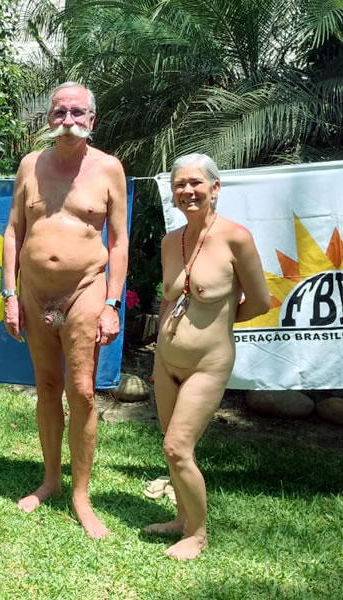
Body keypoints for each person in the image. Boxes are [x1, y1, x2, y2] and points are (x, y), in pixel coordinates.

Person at [2, 82, 128, 538]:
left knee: (82, 392)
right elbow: (13, 231)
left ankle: (81, 494)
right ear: (50, 118)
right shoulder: (30, 165)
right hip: (35, 292)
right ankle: (50, 480)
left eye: (77, 113)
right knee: (47, 387)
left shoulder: (108, 168)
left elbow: (119, 242)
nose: (68, 120)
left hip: (86, 290)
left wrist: (112, 303)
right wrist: (10, 294)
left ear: (91, 120)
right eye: (60, 112)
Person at [146, 153, 269, 559]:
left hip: (208, 364)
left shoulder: (236, 238)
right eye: (180, 184)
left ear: (215, 187)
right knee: (173, 446)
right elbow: (168, 300)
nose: (188, 191)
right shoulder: (170, 242)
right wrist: (160, 350)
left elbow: (261, 302)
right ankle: (181, 519)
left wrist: (217, 324)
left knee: (176, 448)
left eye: (196, 182)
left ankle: (197, 536)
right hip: (166, 361)